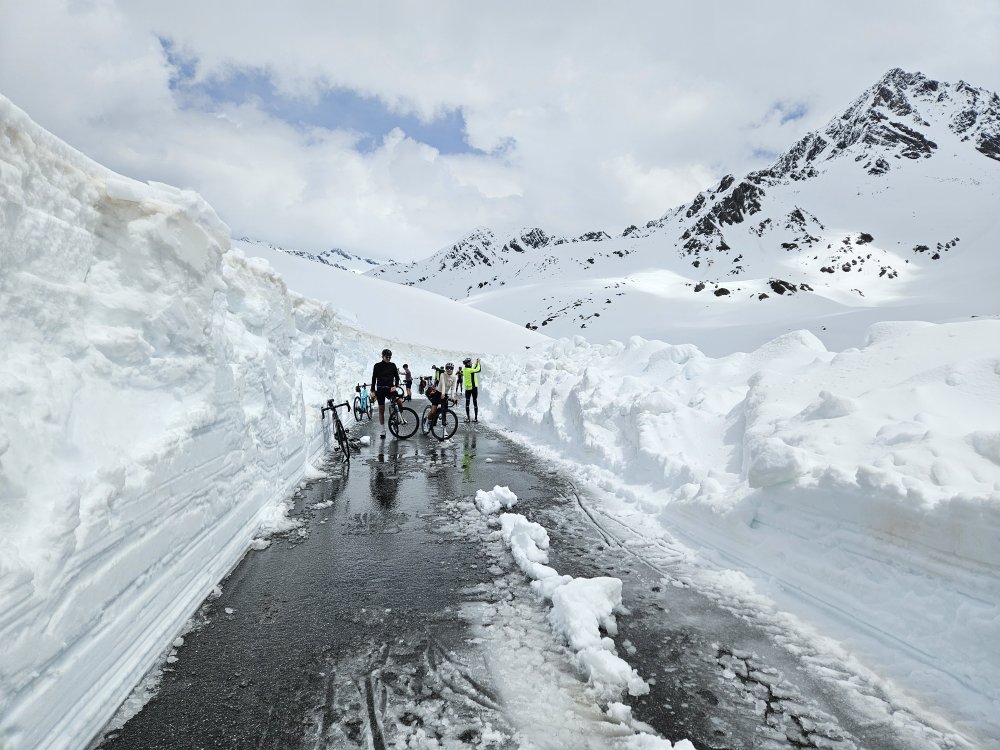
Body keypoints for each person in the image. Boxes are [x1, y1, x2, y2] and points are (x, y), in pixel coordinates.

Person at [370, 348, 400, 439]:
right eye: (387, 357)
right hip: (380, 390)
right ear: (383, 356)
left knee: (400, 402)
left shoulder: (393, 365)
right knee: (381, 410)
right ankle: (383, 430)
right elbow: (373, 378)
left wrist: (396, 385)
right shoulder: (377, 366)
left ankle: (397, 416)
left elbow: (397, 377)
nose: (388, 358)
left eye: (390, 357)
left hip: (390, 389)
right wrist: (372, 390)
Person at [426, 363, 458, 428]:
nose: (449, 369)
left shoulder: (454, 377)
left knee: (444, 412)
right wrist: (442, 394)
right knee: (432, 412)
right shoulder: (442, 375)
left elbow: (452, 388)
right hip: (438, 393)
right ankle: (427, 422)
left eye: (451, 368)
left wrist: (452, 397)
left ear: (452, 369)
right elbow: (443, 385)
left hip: (445, 395)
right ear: (445, 369)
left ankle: (444, 429)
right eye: (447, 368)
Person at [462, 357, 482, 422]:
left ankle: (468, 418)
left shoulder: (465, 370)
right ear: (468, 363)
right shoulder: (470, 370)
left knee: (467, 404)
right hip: (474, 389)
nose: (471, 363)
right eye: (470, 362)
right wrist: (478, 363)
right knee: (475, 402)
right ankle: (476, 418)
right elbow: (478, 369)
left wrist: (476, 363)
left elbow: (473, 368)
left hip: (467, 389)